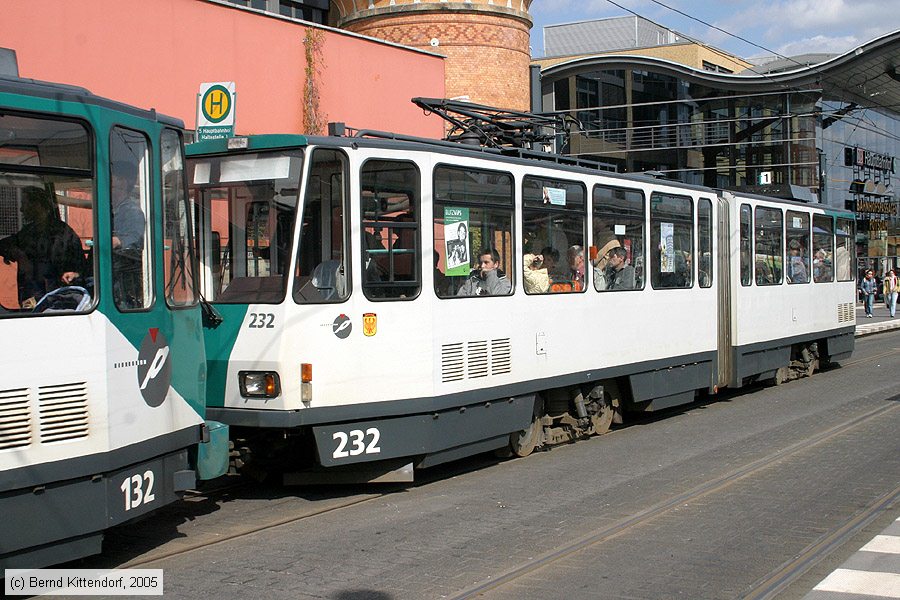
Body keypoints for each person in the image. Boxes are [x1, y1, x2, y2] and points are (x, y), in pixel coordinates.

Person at [0, 186, 86, 309]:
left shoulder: (63, 233)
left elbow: (79, 268)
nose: (21, 209)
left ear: (38, 205)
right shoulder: (28, 231)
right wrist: (17, 253)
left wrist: (74, 275)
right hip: (30, 298)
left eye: (25, 204)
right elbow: (7, 244)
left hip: (55, 301)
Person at [110, 160, 146, 307]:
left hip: (124, 285)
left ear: (123, 183)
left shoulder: (132, 211)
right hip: (109, 278)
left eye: (111, 181)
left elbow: (135, 238)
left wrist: (118, 241)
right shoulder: (109, 211)